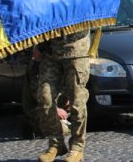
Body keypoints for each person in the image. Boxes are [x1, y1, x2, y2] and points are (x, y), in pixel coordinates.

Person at [36, 30, 93, 162]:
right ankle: (56, 144)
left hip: (76, 51)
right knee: (45, 98)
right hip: (50, 51)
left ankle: (77, 147)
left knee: (77, 102)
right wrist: (39, 45)